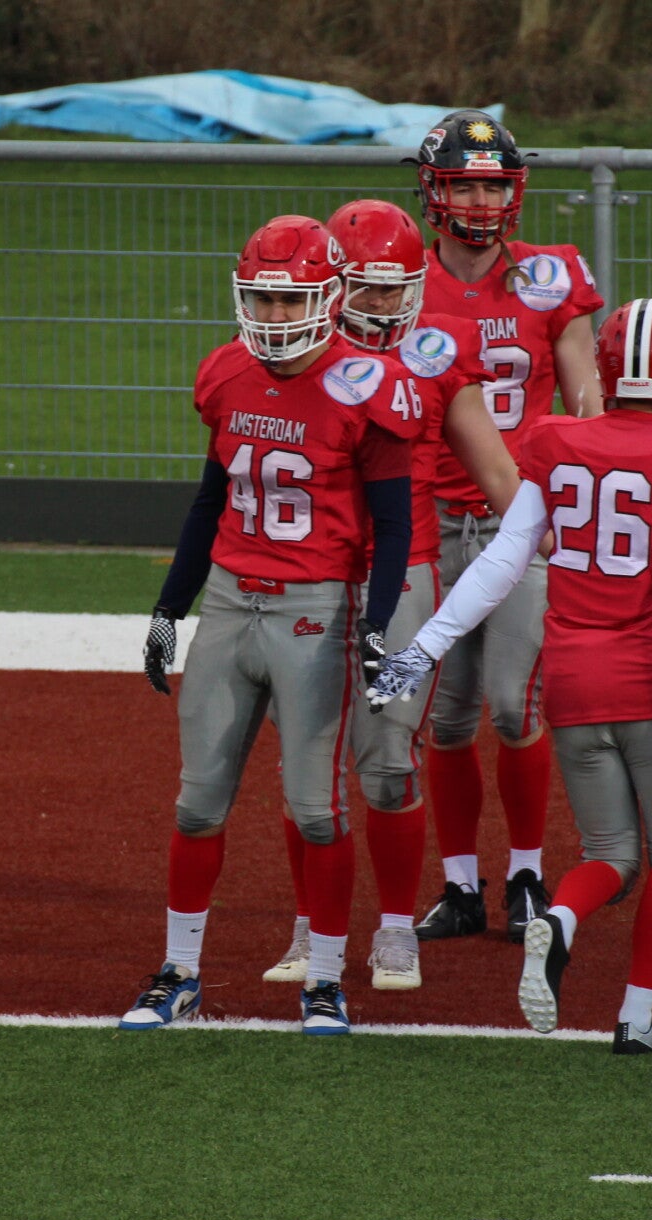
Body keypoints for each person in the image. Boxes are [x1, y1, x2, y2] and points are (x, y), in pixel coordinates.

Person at [367, 298, 652, 1053]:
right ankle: (636, 1018)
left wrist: (423, 649)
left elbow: (504, 559)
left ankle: (559, 919)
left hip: (570, 682)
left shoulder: (557, 438)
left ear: (606, 368)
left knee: (607, 857)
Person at [121, 213, 421, 1036]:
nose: (275, 316)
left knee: (317, 809)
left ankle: (324, 980)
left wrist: (376, 624)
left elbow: (394, 525)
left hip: (315, 609)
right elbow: (207, 502)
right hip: (228, 601)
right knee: (197, 804)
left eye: (290, 302)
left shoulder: (368, 384)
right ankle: (180, 972)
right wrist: (168, 609)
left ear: (330, 298)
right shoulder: (226, 371)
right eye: (262, 299)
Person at [261, 198, 525, 993]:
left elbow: (497, 471)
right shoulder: (290, 351)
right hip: (309, 575)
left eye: (393, 287)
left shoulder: (438, 353)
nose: (378, 304)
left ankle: (397, 930)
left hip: (403, 573)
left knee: (387, 762)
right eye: (364, 286)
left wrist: (563, 549)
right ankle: (310, 925)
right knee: (307, 764)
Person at [408, 109, 605, 947]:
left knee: (514, 707)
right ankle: (461, 885)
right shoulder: (398, 281)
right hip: (429, 519)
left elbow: (587, 398)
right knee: (446, 720)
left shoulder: (550, 277)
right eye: (465, 186)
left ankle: (526, 871)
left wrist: (589, 499)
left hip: (522, 525)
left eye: (494, 186)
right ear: (433, 191)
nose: (482, 203)